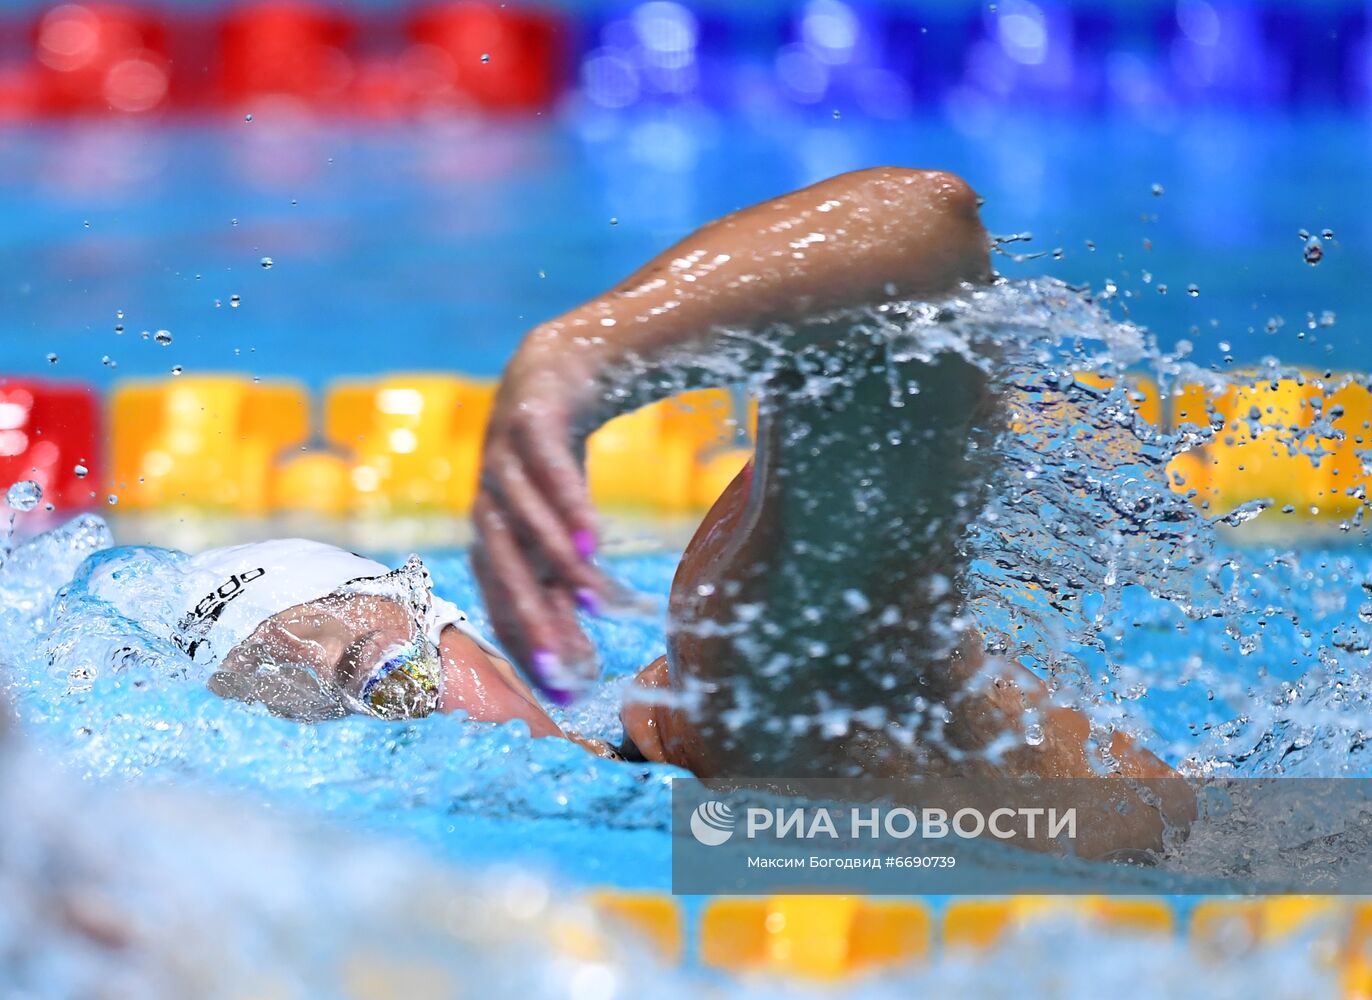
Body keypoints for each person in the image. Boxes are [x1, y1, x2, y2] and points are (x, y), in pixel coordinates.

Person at [69, 167, 1188, 854]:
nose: (394, 732)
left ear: (444, 612)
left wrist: (579, 353)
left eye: (381, 671)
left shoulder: (739, 673)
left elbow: (922, 227)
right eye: (322, 735)